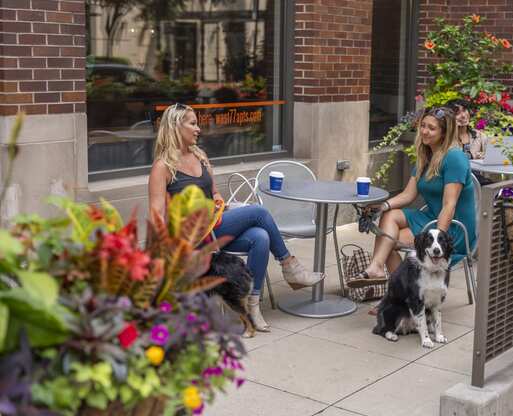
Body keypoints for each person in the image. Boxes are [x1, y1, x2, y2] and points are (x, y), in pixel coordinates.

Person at [148, 103, 323, 332]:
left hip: (215, 227)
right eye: (193, 123)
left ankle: (253, 305)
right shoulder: (163, 167)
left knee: (260, 237)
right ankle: (289, 265)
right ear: (175, 126)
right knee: (260, 213)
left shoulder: (200, 157)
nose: (198, 128)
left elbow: (215, 194)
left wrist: (220, 201)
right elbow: (156, 216)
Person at [349, 107, 477, 287]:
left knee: (388, 242)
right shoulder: (427, 156)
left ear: (444, 133)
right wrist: (382, 206)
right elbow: (408, 195)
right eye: (423, 126)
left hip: (453, 228)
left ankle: (400, 294)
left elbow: (449, 205)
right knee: (389, 220)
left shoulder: (455, 158)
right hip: (431, 218)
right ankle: (383, 274)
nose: (424, 131)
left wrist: (436, 238)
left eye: (431, 128)